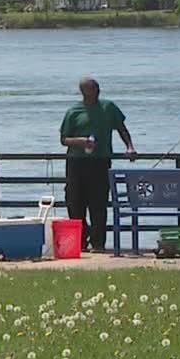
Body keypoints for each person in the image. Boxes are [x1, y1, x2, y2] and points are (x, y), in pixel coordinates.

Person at [58, 76, 135, 253]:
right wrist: (81, 141)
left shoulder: (108, 107)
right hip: (76, 161)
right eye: (92, 89)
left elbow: (121, 128)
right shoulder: (73, 111)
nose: (95, 92)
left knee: (98, 202)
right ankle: (80, 241)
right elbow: (64, 139)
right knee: (75, 202)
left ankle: (98, 243)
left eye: (97, 89)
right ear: (84, 92)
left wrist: (129, 146)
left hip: (100, 161)